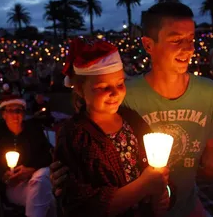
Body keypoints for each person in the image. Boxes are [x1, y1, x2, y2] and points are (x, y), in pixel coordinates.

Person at [51, 2, 213, 217]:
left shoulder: (208, 91)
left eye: (191, 39)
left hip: (184, 204)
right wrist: (63, 176)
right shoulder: (124, 101)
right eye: (177, 40)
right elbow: (86, 150)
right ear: (149, 45)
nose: (188, 49)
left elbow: (210, 152)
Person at [54, 38, 170, 217]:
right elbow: (77, 204)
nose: (115, 93)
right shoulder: (74, 135)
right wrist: (143, 186)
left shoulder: (132, 120)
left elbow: (158, 172)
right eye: (102, 87)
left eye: (120, 84)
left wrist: (164, 193)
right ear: (79, 89)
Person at [0, 94, 56, 217]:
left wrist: (31, 170)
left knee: (41, 178)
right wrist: (4, 176)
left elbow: (48, 155)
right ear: (3, 114)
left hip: (37, 178)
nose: (15, 115)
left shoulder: (34, 130)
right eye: (10, 111)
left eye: (18, 110)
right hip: (14, 187)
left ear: (23, 113)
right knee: (47, 198)